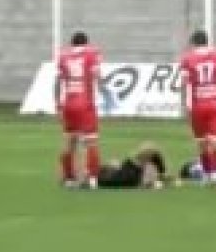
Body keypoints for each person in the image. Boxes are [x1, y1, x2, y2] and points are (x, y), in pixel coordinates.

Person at [178, 29, 216, 184]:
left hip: (197, 105)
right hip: (215, 103)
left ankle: (207, 174)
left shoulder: (187, 58)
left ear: (193, 42)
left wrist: (183, 104)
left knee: (201, 141)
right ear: (207, 41)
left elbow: (184, 83)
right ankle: (215, 174)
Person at [55, 31, 103, 189]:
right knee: (91, 142)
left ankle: (68, 178)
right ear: (86, 42)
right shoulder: (91, 54)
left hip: (68, 104)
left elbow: (57, 82)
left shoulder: (63, 56)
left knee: (69, 142)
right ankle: (92, 178)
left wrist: (58, 104)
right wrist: (102, 86)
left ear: (72, 43)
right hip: (85, 103)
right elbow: (98, 76)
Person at [97, 142, 172, 190]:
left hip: (121, 174)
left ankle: (163, 174)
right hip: (122, 176)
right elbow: (143, 183)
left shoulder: (131, 168)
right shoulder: (132, 172)